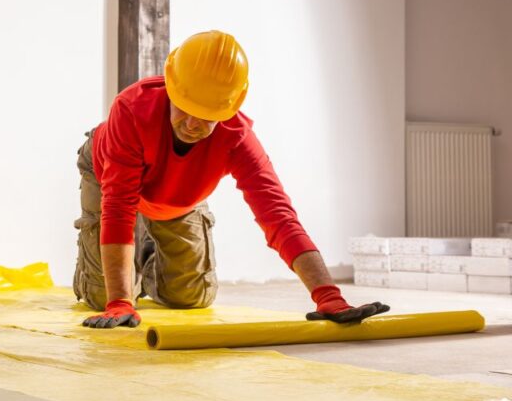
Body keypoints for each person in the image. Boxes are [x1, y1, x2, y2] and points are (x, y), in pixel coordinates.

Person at [74, 30, 389, 328]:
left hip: (179, 194)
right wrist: (119, 301)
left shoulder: (236, 139)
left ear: (231, 106)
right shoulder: (131, 111)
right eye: (185, 107)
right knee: (104, 296)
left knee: (191, 298)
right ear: (171, 87)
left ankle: (142, 258)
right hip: (107, 176)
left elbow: (277, 216)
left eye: (208, 114)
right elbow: (118, 207)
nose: (192, 124)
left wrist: (328, 296)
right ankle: (121, 273)